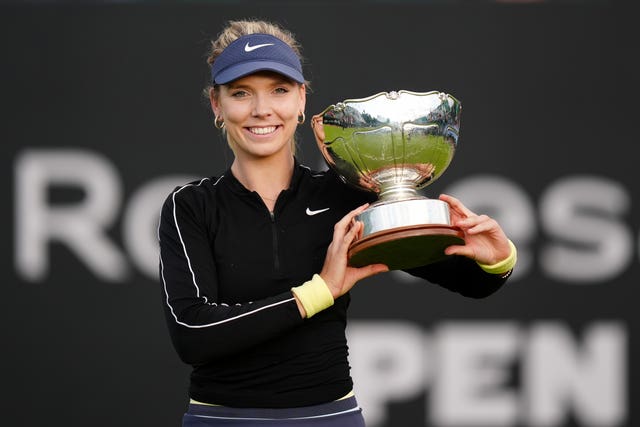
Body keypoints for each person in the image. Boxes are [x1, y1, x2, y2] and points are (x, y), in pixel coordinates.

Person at [158, 18, 517, 427]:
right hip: (221, 420)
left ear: (301, 100)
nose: (262, 110)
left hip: (330, 417)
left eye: (279, 90)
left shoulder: (343, 194)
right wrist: (320, 291)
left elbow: (470, 282)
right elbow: (193, 334)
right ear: (216, 105)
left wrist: (497, 258)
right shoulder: (191, 206)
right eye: (241, 94)